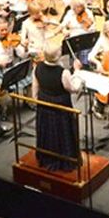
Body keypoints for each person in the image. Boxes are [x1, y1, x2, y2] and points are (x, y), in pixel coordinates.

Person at [33, 42, 84, 171]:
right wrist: (77, 71)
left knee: (48, 131)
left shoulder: (36, 68)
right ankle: (65, 159)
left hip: (44, 105)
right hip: (60, 107)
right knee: (62, 131)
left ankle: (47, 157)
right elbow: (73, 88)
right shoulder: (63, 72)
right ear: (59, 55)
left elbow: (35, 90)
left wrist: (38, 102)